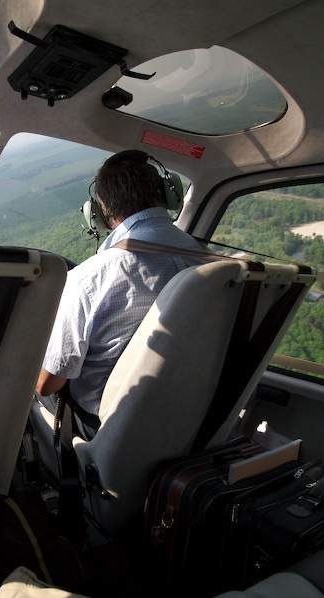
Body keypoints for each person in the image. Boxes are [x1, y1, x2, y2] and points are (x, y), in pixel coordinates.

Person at [35, 151, 203, 439]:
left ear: (99, 213)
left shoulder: (91, 277)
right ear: (166, 195)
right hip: (190, 412)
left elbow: (48, 384)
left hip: (111, 426)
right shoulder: (209, 265)